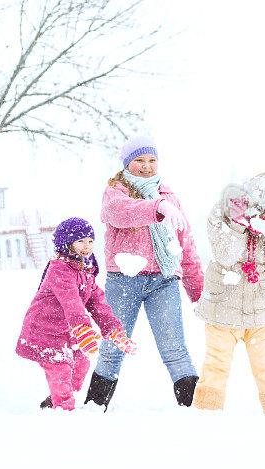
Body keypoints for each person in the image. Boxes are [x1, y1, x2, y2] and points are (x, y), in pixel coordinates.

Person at [86, 135, 205, 410]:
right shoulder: (116, 192)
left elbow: (185, 244)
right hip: (123, 283)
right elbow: (118, 213)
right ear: (127, 164)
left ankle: (193, 409)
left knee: (175, 349)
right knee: (112, 348)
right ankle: (93, 409)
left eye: (152, 160)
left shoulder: (169, 196)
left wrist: (197, 291)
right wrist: (157, 208)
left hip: (164, 282)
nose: (146, 166)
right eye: (139, 160)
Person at [193, 171, 265, 413]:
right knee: (216, 365)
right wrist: (238, 226)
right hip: (223, 306)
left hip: (261, 306)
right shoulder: (222, 212)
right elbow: (225, 256)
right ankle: (206, 416)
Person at [16, 217, 137, 411]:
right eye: (80, 241)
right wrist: (83, 329)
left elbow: (98, 304)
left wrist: (114, 330)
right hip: (45, 332)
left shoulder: (85, 271)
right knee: (61, 370)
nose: (86, 246)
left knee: (80, 367)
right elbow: (71, 301)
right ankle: (64, 411)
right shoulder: (59, 269)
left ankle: (55, 400)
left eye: (90, 241)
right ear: (67, 243)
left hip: (66, 332)